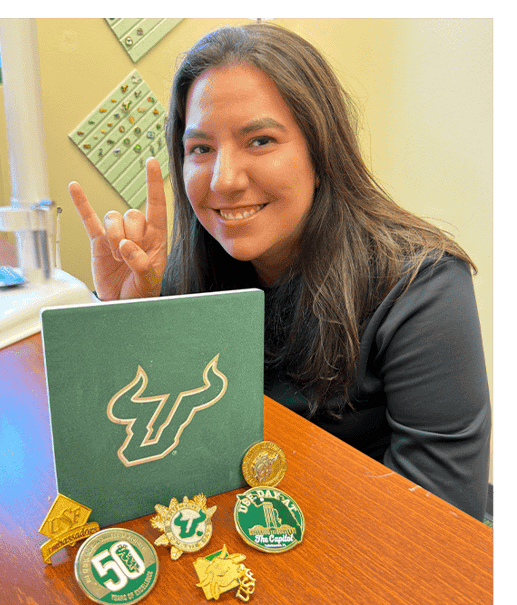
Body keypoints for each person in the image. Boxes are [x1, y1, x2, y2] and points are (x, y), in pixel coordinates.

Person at [69, 23, 491, 521]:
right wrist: (125, 320)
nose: (224, 181)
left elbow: (439, 521)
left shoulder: (424, 287)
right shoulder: (187, 263)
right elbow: (140, 452)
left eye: (261, 140)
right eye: (201, 149)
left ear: (320, 151)